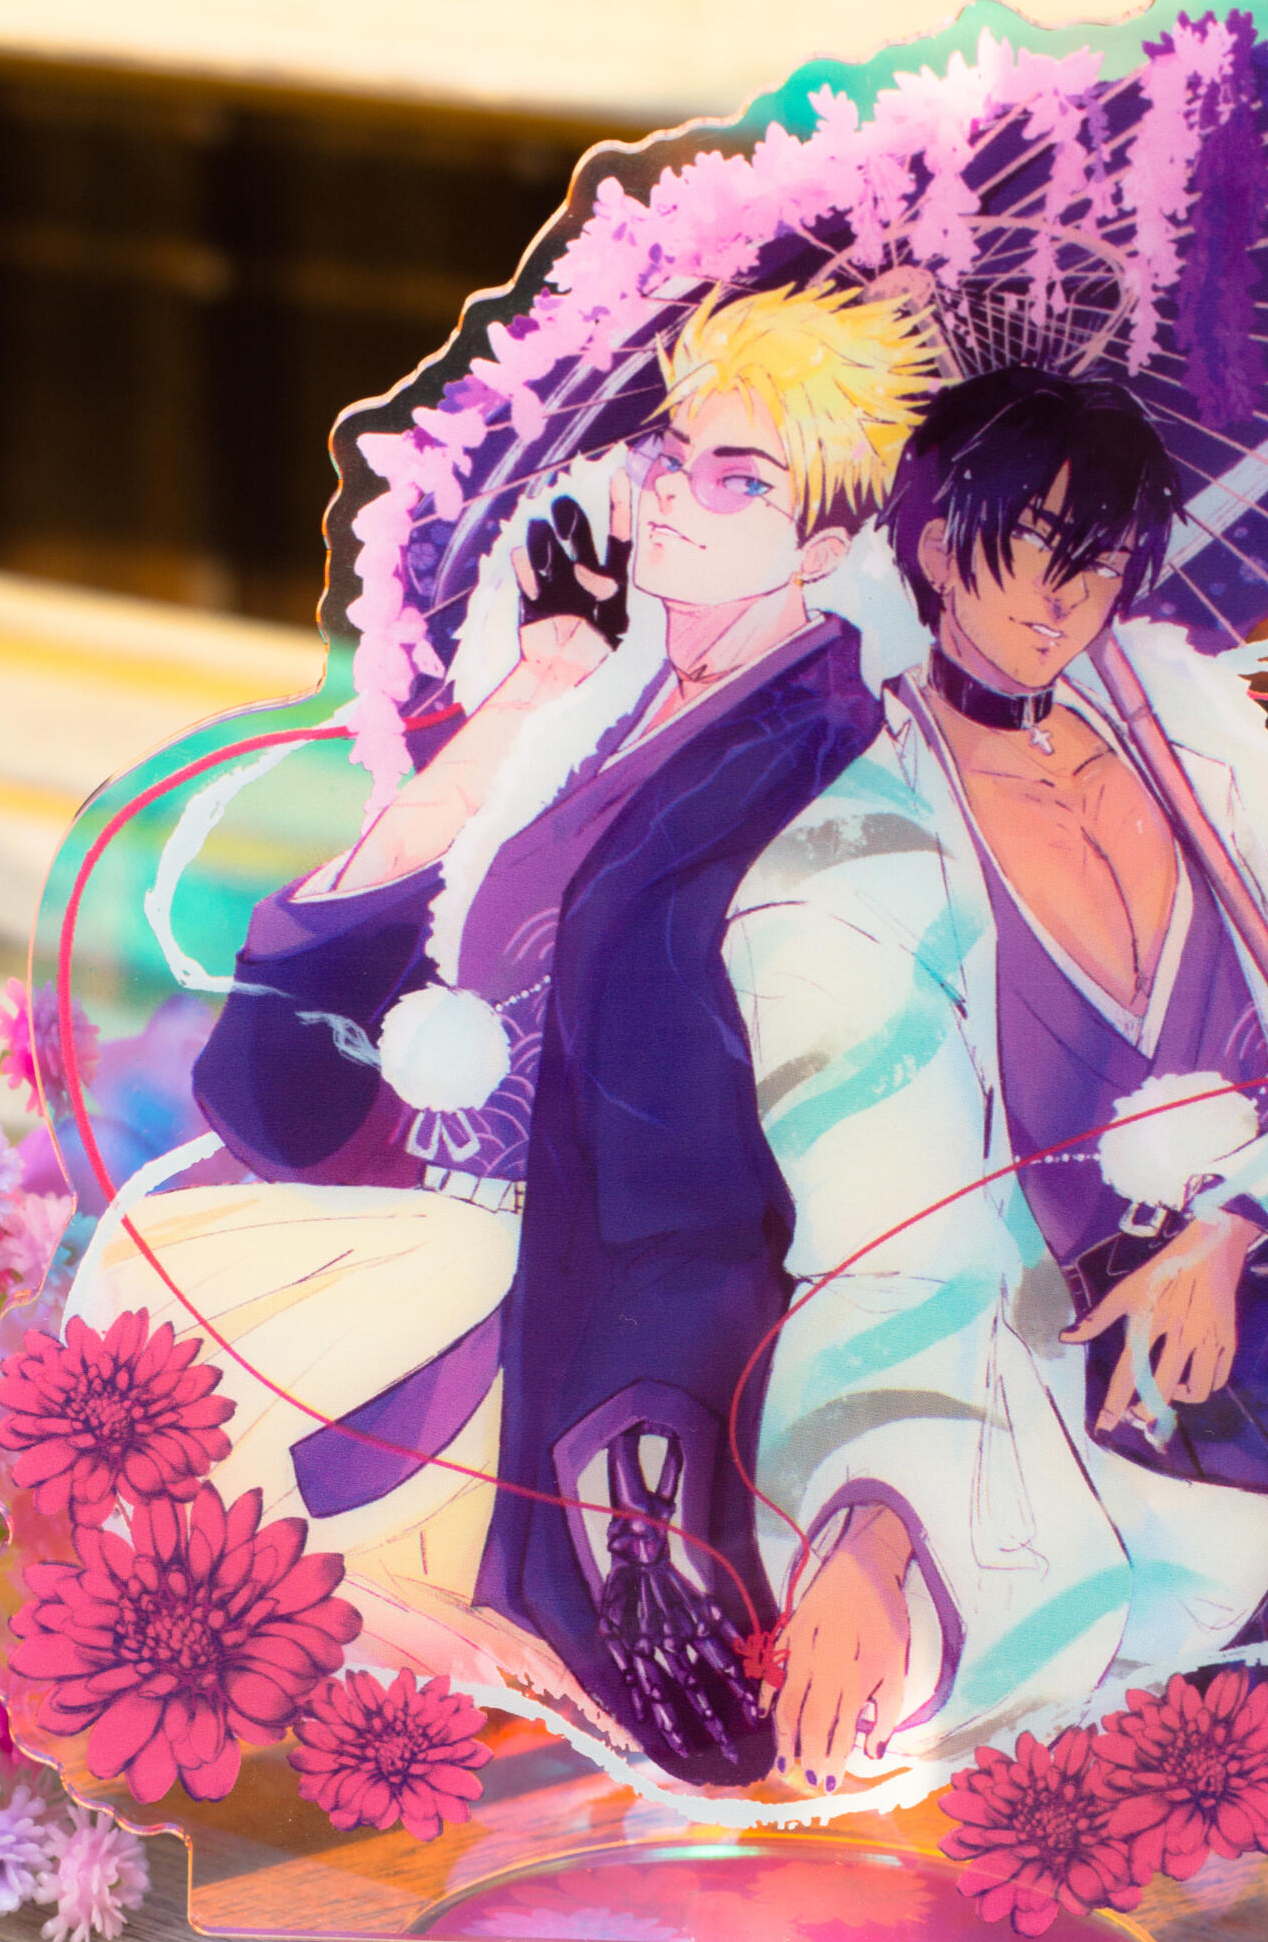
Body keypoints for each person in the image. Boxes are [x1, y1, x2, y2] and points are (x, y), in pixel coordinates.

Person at [69, 282, 933, 1786]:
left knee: (221, 1490)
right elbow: (398, 912)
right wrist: (539, 682)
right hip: (450, 1235)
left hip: (577, 1305)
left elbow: (732, 1132)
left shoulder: (822, 756)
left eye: (739, 478)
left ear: (826, 543)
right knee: (143, 1366)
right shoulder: (609, 698)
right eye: (671, 454)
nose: (674, 495)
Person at [720, 365, 1268, 1793]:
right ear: (940, 545)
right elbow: (888, 1243)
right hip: (1098, 1424)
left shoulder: (1202, 774)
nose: (1066, 600)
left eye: (1104, 561)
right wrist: (870, 1533)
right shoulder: (847, 865)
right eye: (1033, 548)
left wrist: (1230, 1226)